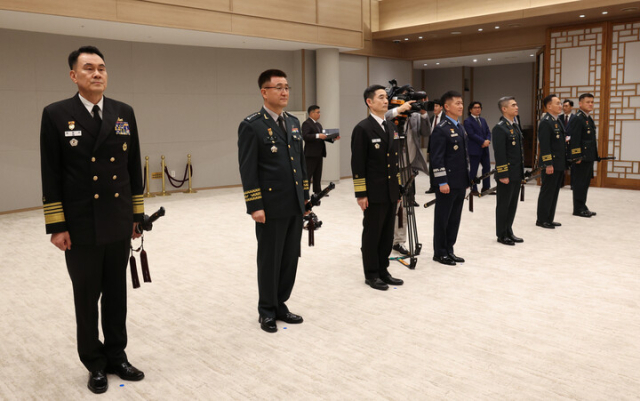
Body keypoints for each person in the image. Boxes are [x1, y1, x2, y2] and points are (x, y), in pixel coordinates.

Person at [40, 46, 145, 394]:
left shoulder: (123, 111)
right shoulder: (56, 114)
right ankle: (94, 363)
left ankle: (117, 355)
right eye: (88, 68)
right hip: (81, 223)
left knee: (117, 294)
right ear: (74, 75)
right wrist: (57, 225)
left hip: (116, 221)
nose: (97, 73)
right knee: (87, 298)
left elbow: (133, 169)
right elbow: (51, 173)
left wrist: (137, 215)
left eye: (101, 68)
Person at [237, 69, 309, 333]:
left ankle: (281, 304)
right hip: (270, 206)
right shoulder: (251, 124)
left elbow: (300, 163)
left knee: (290, 258)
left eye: (287, 87)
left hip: (294, 205)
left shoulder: (293, 122)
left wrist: (306, 198)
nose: (285, 92)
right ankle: (266, 310)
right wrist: (255, 205)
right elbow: (248, 169)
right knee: (270, 259)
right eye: (278, 87)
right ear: (264, 92)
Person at [351, 84, 404, 291]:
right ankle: (371, 273)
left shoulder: (391, 127)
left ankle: (383, 269)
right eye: (380, 97)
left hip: (390, 190)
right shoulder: (363, 128)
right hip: (373, 192)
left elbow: (395, 161)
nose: (385, 101)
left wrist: (397, 188)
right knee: (372, 234)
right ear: (369, 102)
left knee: (387, 234)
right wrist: (361, 193)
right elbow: (357, 165)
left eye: (386, 97)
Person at [384, 98, 429, 255]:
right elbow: (384, 117)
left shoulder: (415, 115)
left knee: (403, 206)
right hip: (388, 166)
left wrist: (423, 114)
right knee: (386, 205)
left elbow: (426, 133)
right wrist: (400, 110)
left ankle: (398, 241)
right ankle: (380, 239)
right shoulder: (390, 112)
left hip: (407, 164)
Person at [430, 91, 470, 265]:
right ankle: (440, 252)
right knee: (443, 218)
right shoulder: (441, 129)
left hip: (460, 181)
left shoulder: (460, 127)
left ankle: (450, 249)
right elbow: (436, 158)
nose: (461, 106)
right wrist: (442, 181)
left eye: (462, 103)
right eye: (457, 103)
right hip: (447, 183)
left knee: (455, 218)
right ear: (446, 107)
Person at [536, 94, 566, 229]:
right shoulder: (546, 122)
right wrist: (548, 163)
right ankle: (542, 219)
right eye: (558, 103)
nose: (561, 106)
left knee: (554, 191)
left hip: (559, 162)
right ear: (549, 106)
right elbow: (545, 145)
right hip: (551, 163)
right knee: (547, 191)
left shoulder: (557, 120)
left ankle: (549, 217)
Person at [568, 93, 599, 217]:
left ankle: (583, 206)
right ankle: (578, 209)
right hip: (581, 157)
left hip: (588, 156)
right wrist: (576, 157)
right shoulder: (577, 118)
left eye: (592, 102)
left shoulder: (587, 118)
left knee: (585, 182)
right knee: (579, 183)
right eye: (588, 102)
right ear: (580, 104)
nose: (590, 104)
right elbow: (574, 139)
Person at [301, 105, 339, 195]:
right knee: (308, 174)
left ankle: (317, 191)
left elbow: (323, 137)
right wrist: (318, 135)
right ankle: (305, 193)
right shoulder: (306, 123)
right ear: (311, 113)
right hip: (310, 154)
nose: (319, 114)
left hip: (319, 153)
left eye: (319, 112)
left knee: (318, 173)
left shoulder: (318, 124)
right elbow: (305, 136)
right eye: (318, 112)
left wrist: (333, 138)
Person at [464, 101, 492, 194]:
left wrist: (488, 140)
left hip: (485, 149)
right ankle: (474, 189)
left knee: (487, 168)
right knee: (474, 170)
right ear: (470, 109)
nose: (478, 109)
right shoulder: (467, 121)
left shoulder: (483, 120)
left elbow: (488, 132)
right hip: (475, 149)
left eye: (479, 107)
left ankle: (486, 188)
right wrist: (483, 141)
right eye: (475, 107)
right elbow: (471, 134)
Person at [426, 100, 443, 194]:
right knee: (432, 168)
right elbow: (430, 135)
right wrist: (429, 148)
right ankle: (432, 186)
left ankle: (441, 185)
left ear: (441, 107)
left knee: (441, 167)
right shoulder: (431, 118)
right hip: (433, 147)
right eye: (433, 106)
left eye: (436, 106)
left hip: (442, 147)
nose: (434, 108)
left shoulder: (445, 118)